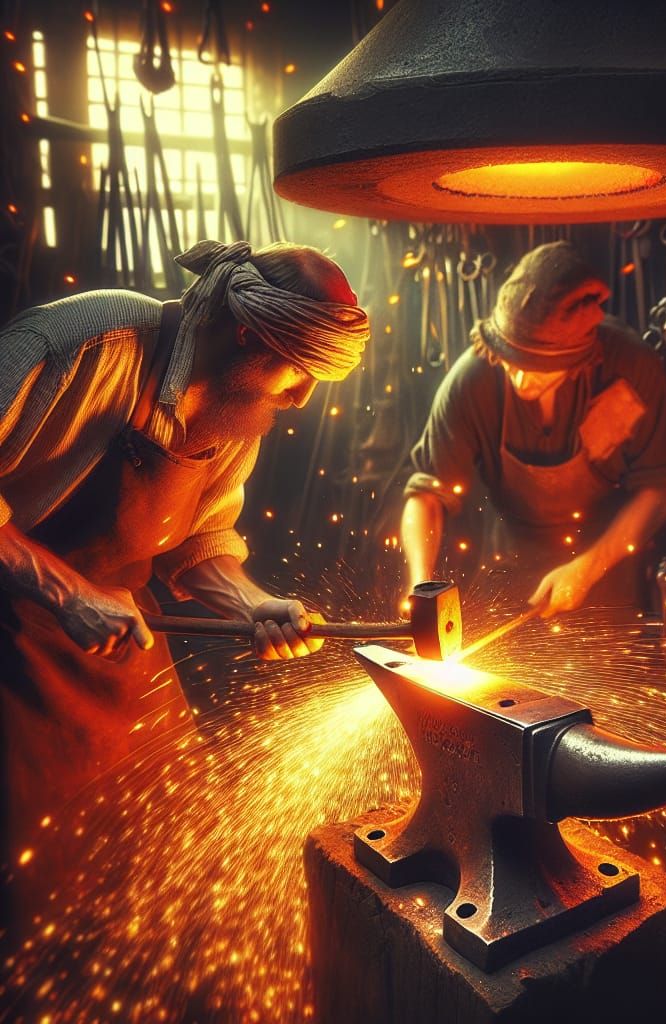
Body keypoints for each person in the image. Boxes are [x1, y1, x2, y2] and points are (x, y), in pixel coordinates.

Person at [0, 239, 370, 885]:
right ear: (247, 335)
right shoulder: (86, 341)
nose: (301, 398)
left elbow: (201, 539)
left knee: (167, 829)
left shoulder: (234, 408)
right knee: (36, 869)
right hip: (13, 640)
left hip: (117, 634)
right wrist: (67, 594)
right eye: (297, 372)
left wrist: (252, 604)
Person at [401, 241, 666, 615]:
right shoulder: (473, 379)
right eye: (511, 362)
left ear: (579, 358)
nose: (521, 379)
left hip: (607, 563)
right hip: (507, 564)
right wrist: (420, 587)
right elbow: (427, 492)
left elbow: (662, 489)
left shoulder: (630, 366)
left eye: (537, 368)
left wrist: (587, 569)